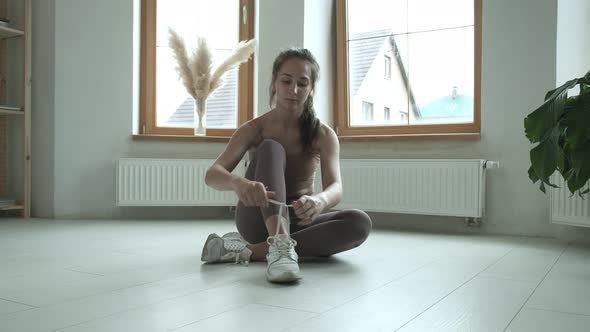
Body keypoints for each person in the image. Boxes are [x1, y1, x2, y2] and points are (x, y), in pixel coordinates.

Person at [201, 47, 372, 283]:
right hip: (258, 218)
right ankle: (279, 244)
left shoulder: (323, 134)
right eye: (286, 81)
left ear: (311, 89)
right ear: (274, 83)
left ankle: (249, 251)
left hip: (299, 220)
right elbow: (212, 174)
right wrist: (238, 184)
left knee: (359, 223)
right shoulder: (254, 129)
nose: (293, 90)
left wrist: (318, 201)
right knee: (271, 147)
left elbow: (336, 187)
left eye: (302, 83)